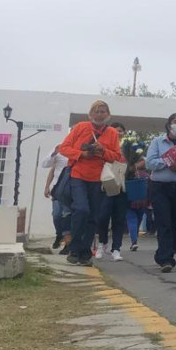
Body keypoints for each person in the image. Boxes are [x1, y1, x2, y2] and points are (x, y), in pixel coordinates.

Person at [59, 100, 122, 266]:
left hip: (98, 178)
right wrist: (81, 154)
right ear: (90, 114)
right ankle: (74, 248)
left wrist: (102, 150)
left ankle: (85, 252)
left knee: (93, 216)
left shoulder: (112, 133)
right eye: (96, 111)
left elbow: (116, 156)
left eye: (103, 111)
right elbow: (63, 148)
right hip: (78, 175)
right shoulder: (81, 127)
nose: (99, 114)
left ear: (108, 114)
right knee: (81, 209)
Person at [145, 113, 176, 273]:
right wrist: (168, 162)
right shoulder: (157, 142)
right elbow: (150, 163)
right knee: (164, 221)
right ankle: (166, 259)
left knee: (174, 222)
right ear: (169, 124)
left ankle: (164, 252)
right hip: (160, 187)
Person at [94, 122, 129, 262]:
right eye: (115, 130)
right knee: (102, 217)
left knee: (119, 219)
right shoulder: (103, 146)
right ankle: (102, 243)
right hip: (106, 186)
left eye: (120, 130)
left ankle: (116, 249)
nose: (117, 133)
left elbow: (136, 165)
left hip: (122, 187)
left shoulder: (127, 149)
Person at [41, 144, 71, 252]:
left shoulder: (80, 149)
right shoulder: (60, 148)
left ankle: (68, 244)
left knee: (67, 216)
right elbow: (47, 165)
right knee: (56, 215)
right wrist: (47, 187)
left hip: (71, 189)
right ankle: (59, 235)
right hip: (57, 189)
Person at [123, 134, 149, 252]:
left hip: (131, 197)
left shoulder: (127, 168)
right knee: (136, 218)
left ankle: (134, 240)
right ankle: (134, 240)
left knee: (133, 219)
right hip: (141, 197)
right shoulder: (144, 174)